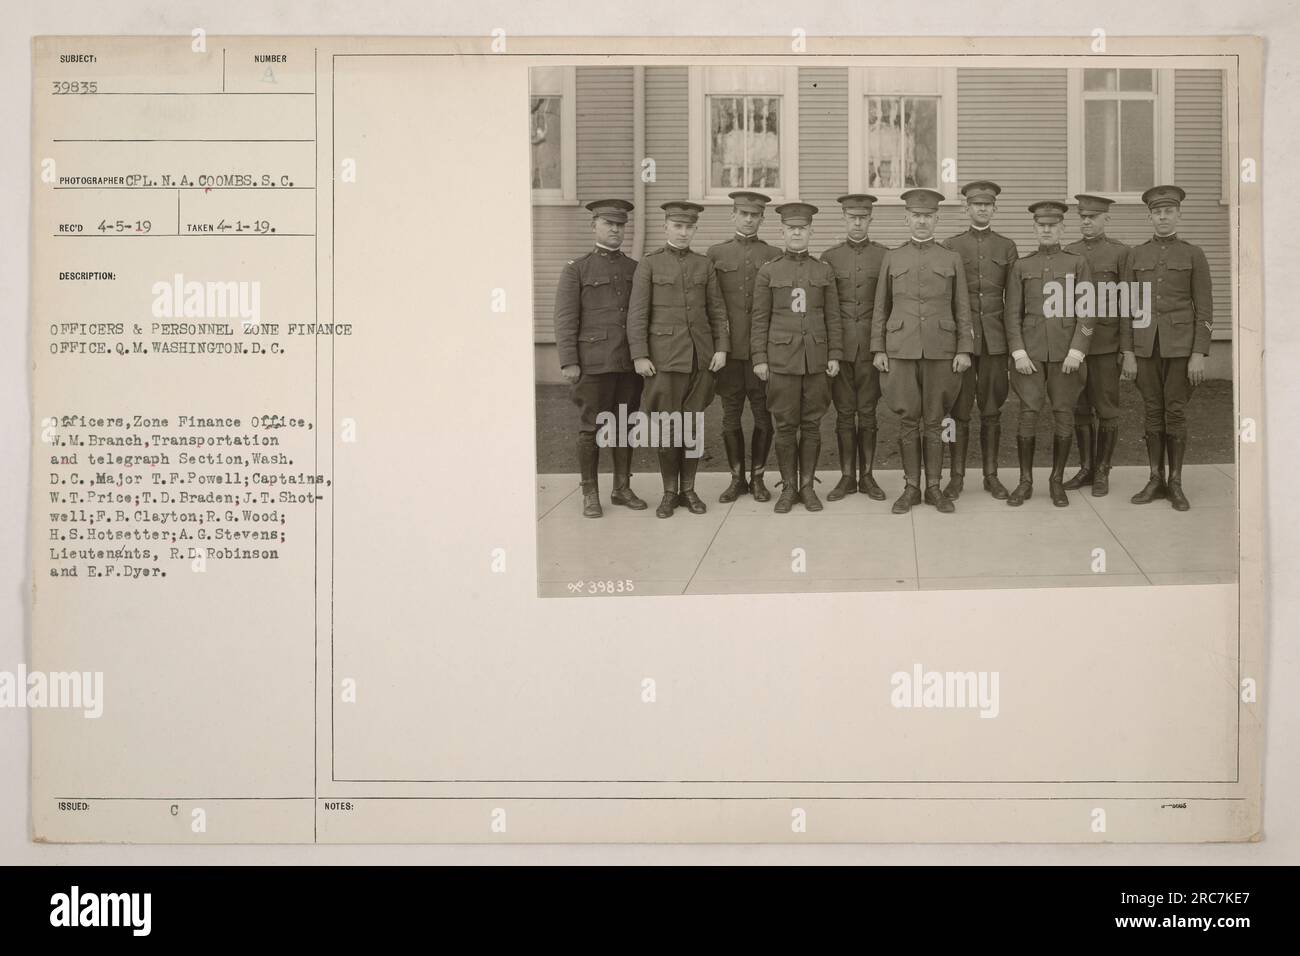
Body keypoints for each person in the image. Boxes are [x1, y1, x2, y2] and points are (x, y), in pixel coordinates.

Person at [871, 187, 973, 514]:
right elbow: (880, 307)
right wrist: (878, 348)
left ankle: (934, 487)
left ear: (936, 219)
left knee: (935, 420)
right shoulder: (893, 257)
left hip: (942, 350)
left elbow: (963, 308)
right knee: (907, 420)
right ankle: (911, 487)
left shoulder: (950, 258)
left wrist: (964, 349)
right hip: (900, 349)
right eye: (916, 216)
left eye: (928, 216)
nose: (922, 222)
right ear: (906, 219)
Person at [626, 201, 729, 518]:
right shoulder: (650, 264)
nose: (683, 232)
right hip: (664, 361)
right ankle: (670, 492)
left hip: (700, 359)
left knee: (693, 427)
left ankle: (689, 489)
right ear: (666, 227)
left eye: (689, 227)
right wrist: (640, 355)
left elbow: (717, 310)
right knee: (668, 428)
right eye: (678, 226)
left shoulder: (704, 265)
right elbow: (637, 314)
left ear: (695, 229)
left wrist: (721, 348)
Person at [1121, 185, 1214, 512]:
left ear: (1178, 214)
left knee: (1174, 411)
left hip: (1180, 349)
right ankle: (1154, 478)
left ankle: (1175, 482)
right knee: (1151, 410)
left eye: (1168, 211)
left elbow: (1204, 309)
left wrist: (1198, 353)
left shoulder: (1193, 254)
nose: (1163, 216)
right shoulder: (1137, 254)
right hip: (1146, 348)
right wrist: (1129, 351)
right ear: (1149, 217)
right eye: (1157, 212)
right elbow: (1128, 307)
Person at [552, 198, 645, 517]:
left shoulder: (635, 269)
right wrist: (568, 361)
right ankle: (589, 492)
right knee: (591, 427)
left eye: (620, 225)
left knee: (625, 425)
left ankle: (621, 488)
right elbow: (565, 318)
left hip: (627, 364)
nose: (616, 230)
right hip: (592, 363)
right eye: (609, 224)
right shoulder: (576, 270)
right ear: (594, 226)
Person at [750, 202, 843, 513]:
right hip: (780, 360)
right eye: (791, 229)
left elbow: (833, 317)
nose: (797, 233)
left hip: (815, 360)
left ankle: (807, 485)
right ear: (782, 232)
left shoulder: (823, 270)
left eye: (802, 229)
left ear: (810, 232)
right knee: (785, 426)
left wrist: (834, 354)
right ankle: (788, 487)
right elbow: (759, 319)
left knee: (813, 424)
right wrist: (760, 358)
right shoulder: (769, 271)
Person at [1003, 200, 1095, 507]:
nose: (1046, 230)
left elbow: (1087, 312)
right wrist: (1017, 351)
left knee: (1063, 414)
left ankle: (1057, 481)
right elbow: (1011, 313)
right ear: (1034, 229)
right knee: (1028, 414)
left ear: (1062, 228)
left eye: (1052, 225)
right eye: (1041, 225)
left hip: (1066, 354)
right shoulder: (1022, 266)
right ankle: (1025, 481)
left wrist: (1077, 351)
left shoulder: (1077, 263)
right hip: (1029, 354)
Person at [940, 180, 1019, 499]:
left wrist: (1014, 346)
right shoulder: (951, 245)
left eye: (987, 205)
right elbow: (946, 298)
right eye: (976, 204)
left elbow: (1014, 300)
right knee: (958, 411)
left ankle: (991, 475)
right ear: (966, 208)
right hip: (962, 343)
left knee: (991, 410)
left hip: (995, 342)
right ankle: (956, 477)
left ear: (995, 209)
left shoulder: (1006, 247)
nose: (982, 209)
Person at [707, 191, 783, 502]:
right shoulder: (716, 254)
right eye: (743, 214)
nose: (749, 220)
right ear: (733, 216)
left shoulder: (774, 253)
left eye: (755, 215)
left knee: (764, 417)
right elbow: (711, 306)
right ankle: (737, 478)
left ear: (762, 219)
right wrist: (719, 346)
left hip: (763, 353)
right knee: (730, 416)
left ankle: (759, 478)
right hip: (730, 352)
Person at [819, 193, 890, 501]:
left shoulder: (885, 256)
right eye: (852, 218)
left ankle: (869, 476)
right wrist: (832, 350)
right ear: (844, 220)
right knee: (845, 413)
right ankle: (848, 477)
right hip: (841, 348)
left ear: (870, 220)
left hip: (872, 349)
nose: (857, 223)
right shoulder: (830, 258)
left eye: (863, 218)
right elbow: (825, 307)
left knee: (869, 412)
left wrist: (881, 347)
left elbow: (887, 304)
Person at [1062, 194, 1131, 497]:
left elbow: (1127, 305)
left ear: (1106, 219)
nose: (1087, 222)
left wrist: (1127, 350)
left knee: (1106, 409)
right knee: (1079, 407)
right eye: (1083, 217)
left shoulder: (1120, 253)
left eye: (1093, 217)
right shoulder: (1069, 252)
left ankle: (1103, 469)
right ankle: (1086, 467)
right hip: (1075, 347)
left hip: (1105, 344)